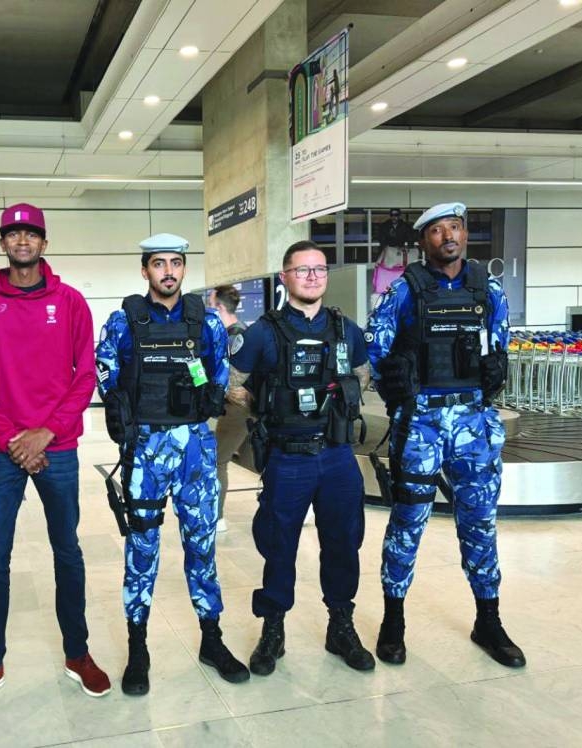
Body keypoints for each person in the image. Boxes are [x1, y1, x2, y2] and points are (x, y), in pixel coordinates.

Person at [0, 203, 110, 714]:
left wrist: (44, 434)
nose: (22, 241)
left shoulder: (70, 302)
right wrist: (12, 441)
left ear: (45, 243)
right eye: (13, 233)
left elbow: (84, 374)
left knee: (67, 552)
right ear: (2, 243)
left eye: (31, 234)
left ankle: (78, 654)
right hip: (0, 452)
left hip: (57, 448)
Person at [366, 202, 524, 668]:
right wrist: (402, 402)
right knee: (406, 524)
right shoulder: (403, 291)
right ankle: (393, 621)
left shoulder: (488, 289)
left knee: (479, 523)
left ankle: (489, 621)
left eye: (454, 227)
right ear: (423, 242)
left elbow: (500, 345)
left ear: (465, 234)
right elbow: (378, 351)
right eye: (436, 231)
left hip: (473, 422)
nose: (447, 237)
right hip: (422, 424)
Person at [97, 233, 249, 696]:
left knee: (201, 546)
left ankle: (211, 639)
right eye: (159, 263)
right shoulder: (124, 322)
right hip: (144, 449)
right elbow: (105, 373)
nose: (168, 271)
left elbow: (218, 376)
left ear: (184, 269)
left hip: (195, 450)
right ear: (145, 270)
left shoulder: (207, 324)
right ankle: (138, 648)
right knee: (141, 551)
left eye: (176, 263)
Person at [229, 240, 375, 675]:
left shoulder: (347, 329)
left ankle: (341, 626)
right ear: (285, 277)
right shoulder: (262, 332)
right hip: (287, 458)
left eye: (319, 269)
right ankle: (273, 629)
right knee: (279, 545)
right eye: (302, 270)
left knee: (344, 542)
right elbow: (233, 384)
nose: (312, 277)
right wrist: (268, 409)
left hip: (336, 457)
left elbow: (362, 379)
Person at [208, 285, 248, 532]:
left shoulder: (235, 337)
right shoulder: (239, 333)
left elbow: (233, 381)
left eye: (211, 305)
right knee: (259, 461)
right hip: (237, 408)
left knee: (218, 460)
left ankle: (218, 518)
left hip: (238, 408)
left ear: (220, 307)